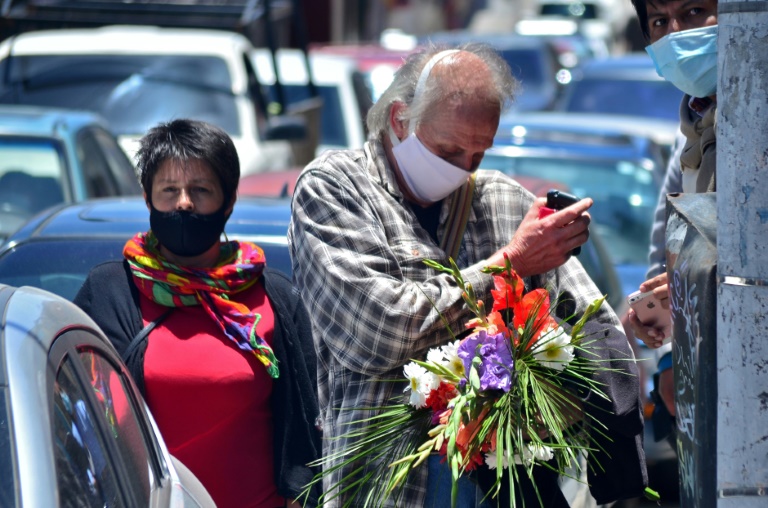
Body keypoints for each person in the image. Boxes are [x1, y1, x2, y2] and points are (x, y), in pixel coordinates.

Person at [289, 43, 647, 507]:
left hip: (503, 486)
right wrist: (511, 264)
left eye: (478, 154)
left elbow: (591, 327)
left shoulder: (505, 200)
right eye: (448, 149)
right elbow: (377, 333)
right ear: (401, 119)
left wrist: (561, 398)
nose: (462, 168)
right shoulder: (334, 189)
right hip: (388, 489)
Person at [74, 119, 321, 508]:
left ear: (229, 202)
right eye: (169, 190)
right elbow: (75, 414)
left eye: (201, 190)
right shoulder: (108, 292)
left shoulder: (274, 299)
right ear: (147, 197)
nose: (184, 203)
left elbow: (309, 428)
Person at [626, 0, 718, 426]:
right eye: (660, 21)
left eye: (695, 11)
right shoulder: (692, 133)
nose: (677, 32)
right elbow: (668, 246)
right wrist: (667, 353)